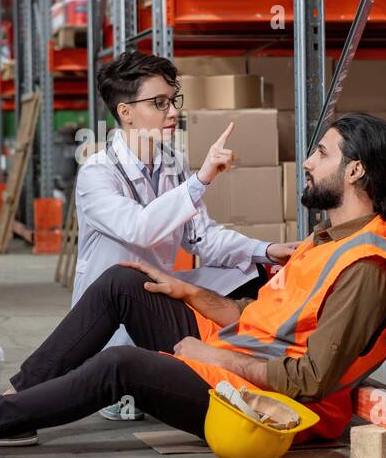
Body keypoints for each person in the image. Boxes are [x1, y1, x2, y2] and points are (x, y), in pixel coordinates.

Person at [0, 112, 386, 458]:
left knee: (120, 366)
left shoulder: (365, 266)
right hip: (237, 355)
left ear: (355, 171)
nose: (308, 162)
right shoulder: (325, 239)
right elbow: (256, 318)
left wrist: (208, 351)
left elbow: (307, 381)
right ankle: (18, 399)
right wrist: (189, 294)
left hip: (261, 403)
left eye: (322, 154)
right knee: (126, 281)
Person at [75, 51, 297, 424]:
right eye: (158, 103)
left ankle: (245, 365)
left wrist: (269, 250)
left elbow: (202, 238)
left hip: (155, 293)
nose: (172, 112)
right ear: (125, 112)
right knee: (126, 343)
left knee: (255, 275)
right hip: (112, 311)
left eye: (173, 100)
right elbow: (140, 229)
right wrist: (202, 179)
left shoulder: (171, 163)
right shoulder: (97, 174)